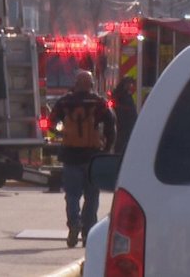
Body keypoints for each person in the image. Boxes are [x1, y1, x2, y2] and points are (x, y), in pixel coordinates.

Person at [50, 69, 115, 249]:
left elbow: (51, 122)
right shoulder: (99, 103)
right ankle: (88, 233)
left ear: (76, 84)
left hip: (71, 157)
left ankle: (74, 224)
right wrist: (107, 148)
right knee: (92, 197)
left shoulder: (64, 102)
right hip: (93, 157)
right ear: (91, 84)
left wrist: (61, 134)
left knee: (72, 196)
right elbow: (111, 126)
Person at [112, 76, 138, 156]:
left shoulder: (121, 94)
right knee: (122, 142)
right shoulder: (123, 95)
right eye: (129, 84)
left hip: (124, 124)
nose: (131, 86)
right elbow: (128, 110)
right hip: (125, 124)